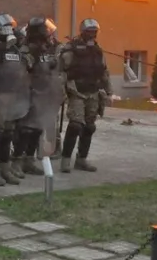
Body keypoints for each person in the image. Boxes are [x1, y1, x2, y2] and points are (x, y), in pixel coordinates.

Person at [0, 13, 30, 186]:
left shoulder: (15, 51)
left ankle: (5, 168)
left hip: (13, 95)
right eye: (5, 29)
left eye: (11, 28)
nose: (9, 32)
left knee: (8, 134)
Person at [59, 18, 111, 173]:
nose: (92, 34)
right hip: (77, 91)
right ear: (83, 32)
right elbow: (61, 71)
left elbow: (104, 72)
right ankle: (65, 160)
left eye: (95, 32)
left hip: (93, 92)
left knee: (89, 127)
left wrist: (109, 92)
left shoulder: (97, 50)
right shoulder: (71, 48)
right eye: (89, 31)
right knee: (75, 125)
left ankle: (81, 159)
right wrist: (62, 92)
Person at [14, 16, 59, 175]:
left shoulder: (45, 49)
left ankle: (29, 160)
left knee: (37, 129)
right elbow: (21, 74)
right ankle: (17, 161)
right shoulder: (27, 51)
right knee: (25, 130)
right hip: (29, 94)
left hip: (42, 94)